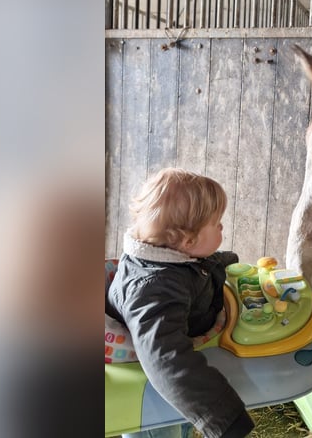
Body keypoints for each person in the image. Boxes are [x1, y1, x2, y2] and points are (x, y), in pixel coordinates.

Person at [107, 168, 254, 438]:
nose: (222, 227)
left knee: (183, 422)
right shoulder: (155, 292)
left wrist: (226, 263)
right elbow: (166, 361)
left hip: (177, 380)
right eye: (217, 223)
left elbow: (197, 267)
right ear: (188, 241)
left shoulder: (167, 257)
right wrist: (225, 418)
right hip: (152, 393)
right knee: (164, 431)